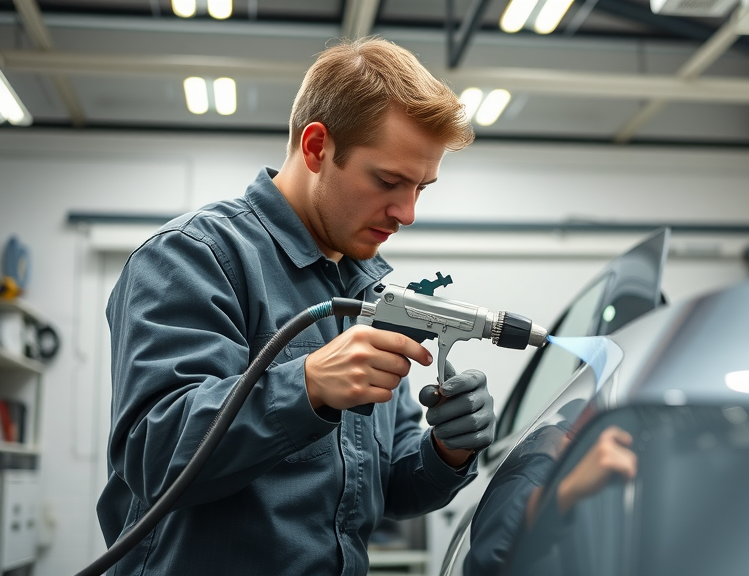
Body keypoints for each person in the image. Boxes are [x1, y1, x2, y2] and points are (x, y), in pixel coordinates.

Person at [99, 37, 495, 576]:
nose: (407, 212)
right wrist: (306, 386)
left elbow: (387, 490)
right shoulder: (195, 257)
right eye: (388, 181)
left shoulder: (369, 296)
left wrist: (446, 451)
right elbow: (154, 455)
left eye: (422, 188)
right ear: (315, 148)